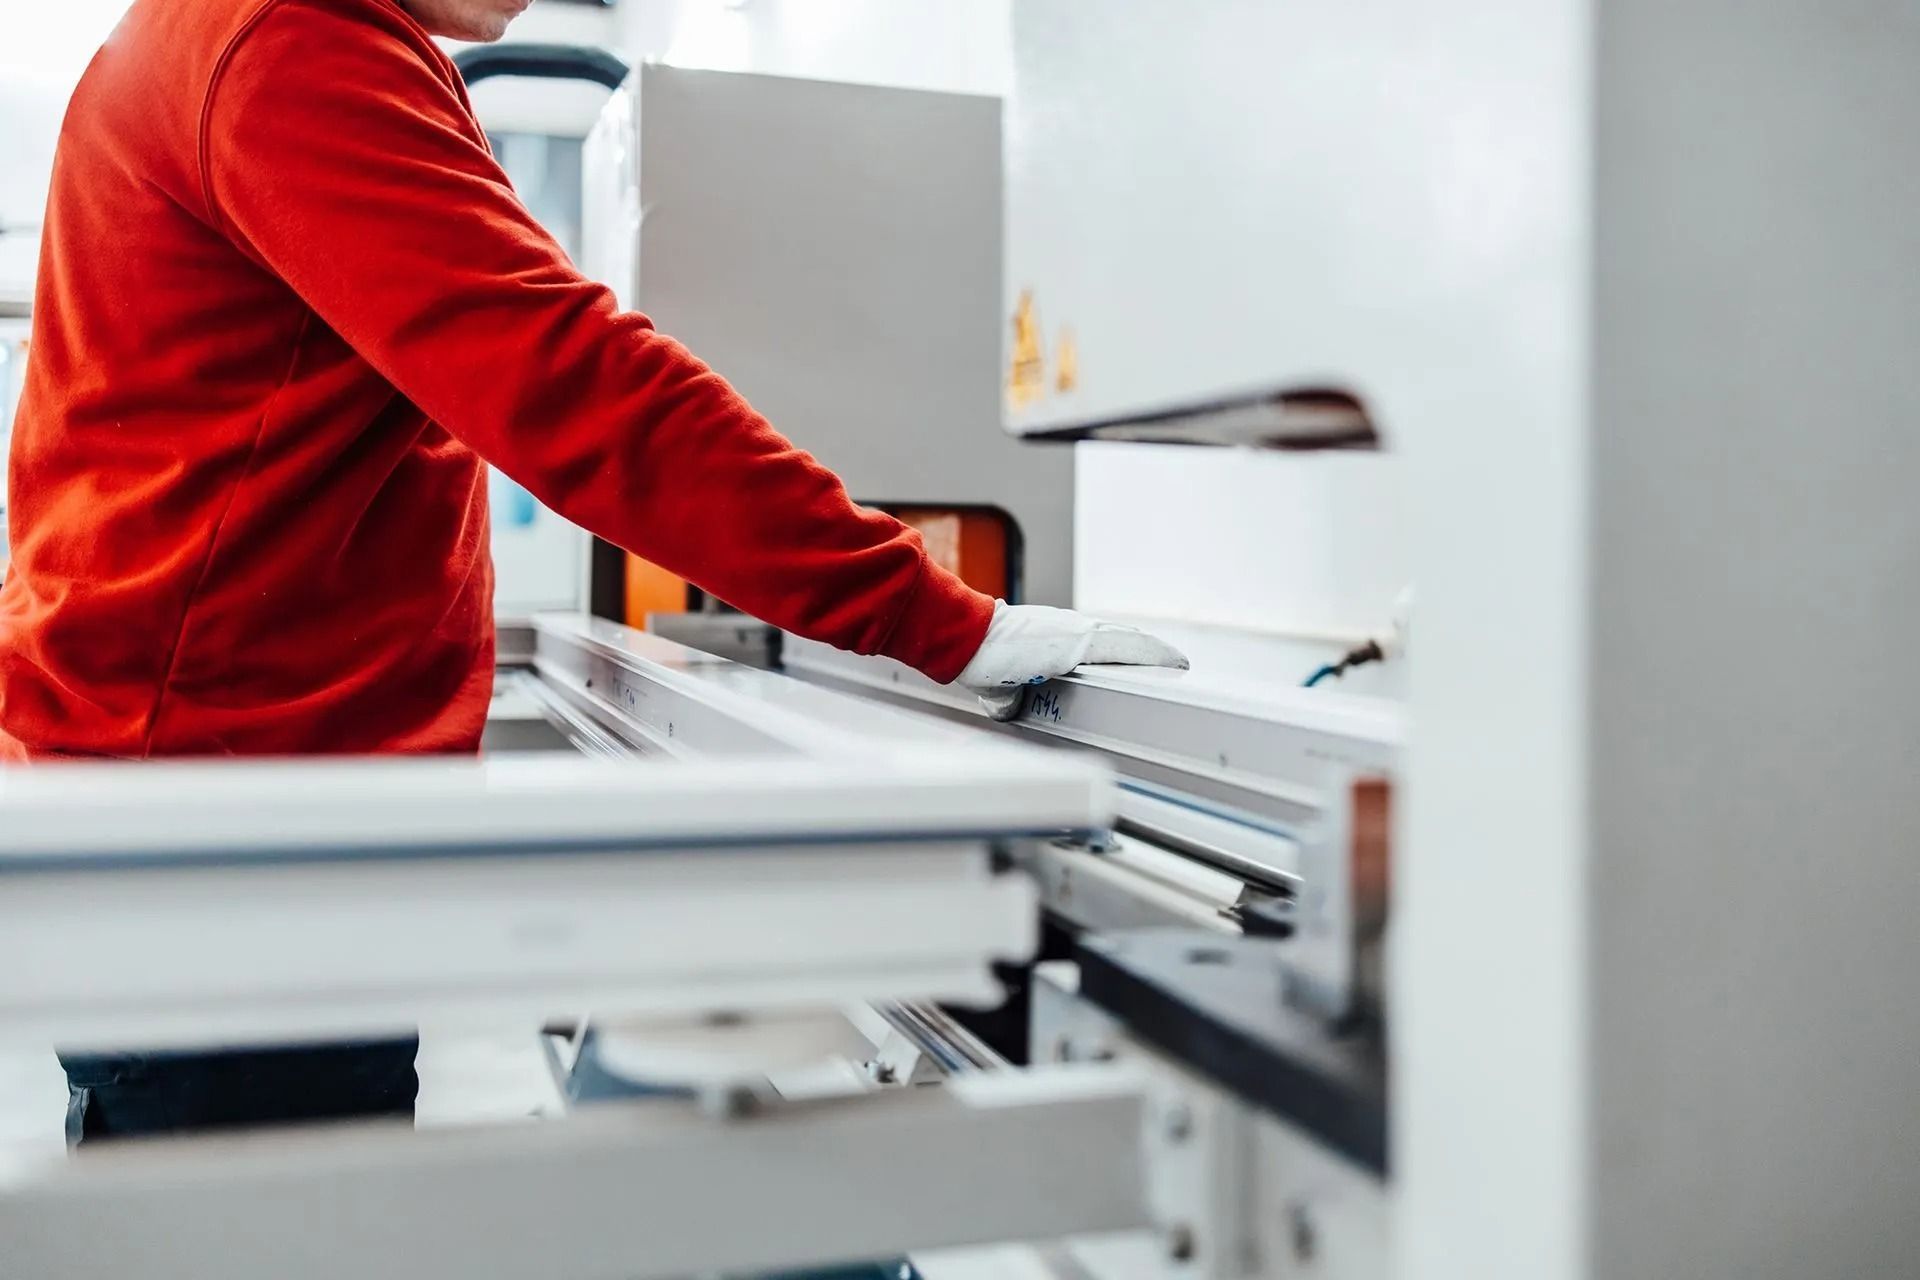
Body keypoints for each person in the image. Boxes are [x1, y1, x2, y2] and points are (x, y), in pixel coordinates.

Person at [0, 0, 1184, 1142]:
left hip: (236, 789)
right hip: (224, 820)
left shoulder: (276, 39)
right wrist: (937, 618)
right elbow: (569, 378)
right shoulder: (288, 42)